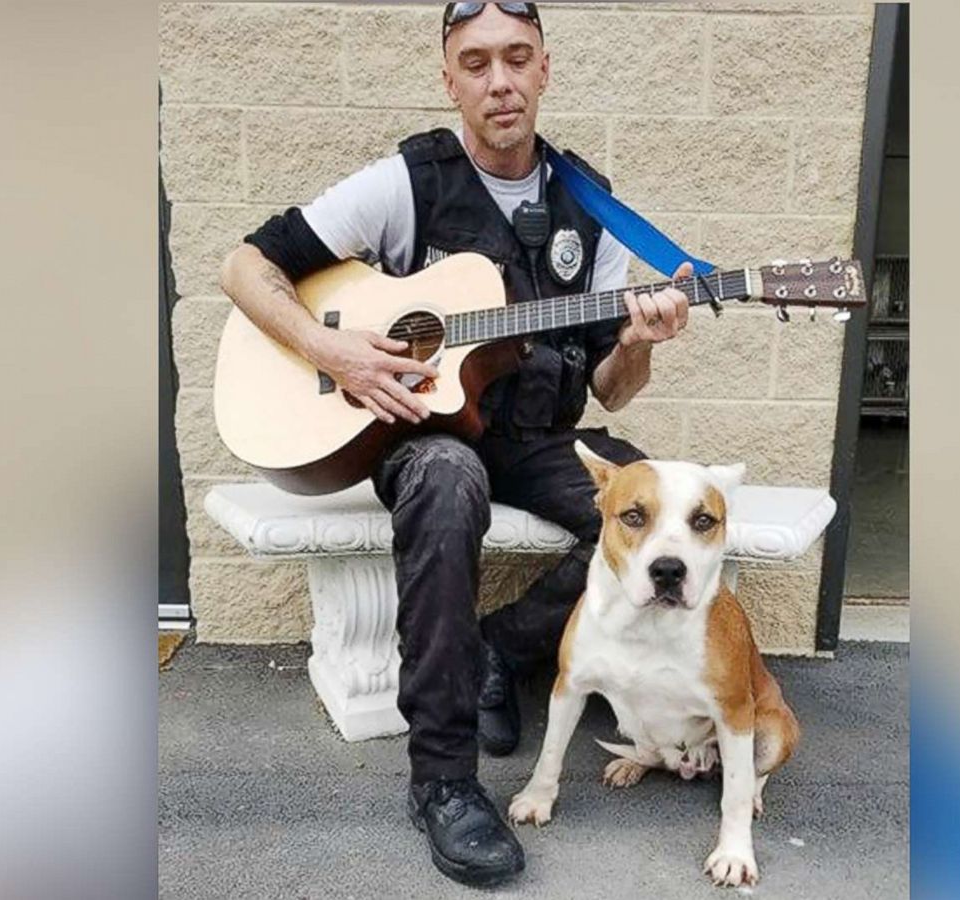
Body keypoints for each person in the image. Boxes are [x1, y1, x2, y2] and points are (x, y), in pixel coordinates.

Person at [219, 3, 691, 887]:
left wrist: (637, 341)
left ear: (546, 68)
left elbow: (609, 388)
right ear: (450, 80)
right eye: (476, 63)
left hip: (540, 431)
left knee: (645, 505)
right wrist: (335, 351)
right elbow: (246, 267)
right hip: (425, 430)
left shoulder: (594, 214)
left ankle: (498, 650)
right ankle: (444, 782)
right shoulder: (407, 182)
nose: (499, 81)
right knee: (443, 476)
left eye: (517, 58)